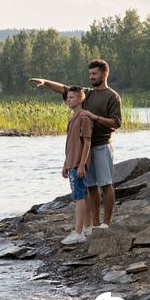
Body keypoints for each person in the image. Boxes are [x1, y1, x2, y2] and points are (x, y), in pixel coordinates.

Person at [29, 59, 121, 229]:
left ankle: (106, 223)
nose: (91, 77)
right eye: (90, 74)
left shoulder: (112, 96)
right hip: (87, 148)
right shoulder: (88, 93)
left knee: (106, 185)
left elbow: (116, 123)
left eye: (95, 73)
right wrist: (45, 82)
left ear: (104, 74)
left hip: (102, 146)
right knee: (91, 187)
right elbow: (64, 89)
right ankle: (94, 223)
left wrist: (96, 118)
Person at [60, 85, 93, 245]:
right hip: (71, 162)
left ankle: (78, 232)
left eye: (72, 97)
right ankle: (87, 226)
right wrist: (66, 163)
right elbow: (70, 143)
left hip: (78, 164)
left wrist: (81, 165)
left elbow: (87, 142)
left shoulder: (84, 118)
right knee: (82, 195)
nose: (68, 99)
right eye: (67, 97)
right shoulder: (72, 118)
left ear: (80, 99)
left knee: (78, 197)